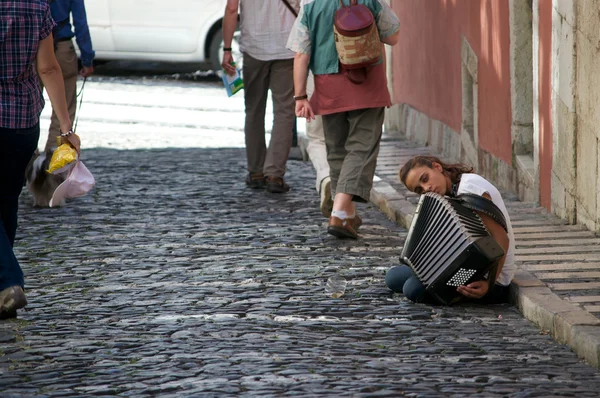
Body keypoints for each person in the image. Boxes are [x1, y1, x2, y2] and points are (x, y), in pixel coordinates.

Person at [287, 0, 400, 239]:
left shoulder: (311, 7)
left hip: (329, 87)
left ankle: (347, 214)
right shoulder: (370, 1)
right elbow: (393, 37)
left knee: (336, 149)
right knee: (362, 146)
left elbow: (300, 53)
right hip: (367, 85)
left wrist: (300, 96)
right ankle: (339, 211)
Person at [0, 0, 72, 318]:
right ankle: (3, 292)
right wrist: (66, 126)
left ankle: (9, 280)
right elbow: (48, 67)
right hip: (23, 123)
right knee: (6, 202)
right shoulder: (37, 5)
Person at [385, 155, 515, 304]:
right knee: (393, 277)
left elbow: (501, 238)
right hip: (466, 264)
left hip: (491, 277)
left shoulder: (469, 188)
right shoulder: (450, 191)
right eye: (419, 190)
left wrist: (489, 284)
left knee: (411, 289)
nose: (427, 188)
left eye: (425, 178)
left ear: (437, 167)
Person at [221, 0, 299, 193]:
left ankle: (256, 172)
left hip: (254, 47)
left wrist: (227, 48)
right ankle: (274, 174)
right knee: (284, 112)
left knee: (254, 111)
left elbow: (232, 9)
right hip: (287, 46)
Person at [44, 0, 95, 151]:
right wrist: (87, 60)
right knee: (64, 106)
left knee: (28, 104)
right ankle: (53, 160)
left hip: (32, 47)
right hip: (62, 48)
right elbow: (80, 23)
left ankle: (28, 160)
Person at [305, 72, 332, 217]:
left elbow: (300, 54)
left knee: (317, 139)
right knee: (350, 141)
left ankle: (325, 175)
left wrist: (299, 96)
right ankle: (345, 207)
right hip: (357, 74)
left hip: (319, 74)